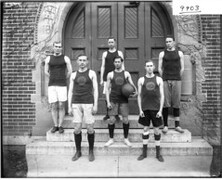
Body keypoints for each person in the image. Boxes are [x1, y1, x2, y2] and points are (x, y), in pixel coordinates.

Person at [68, 54, 98, 162]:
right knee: (77, 128)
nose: (82, 62)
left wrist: (95, 105)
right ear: (77, 61)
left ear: (87, 62)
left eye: (84, 60)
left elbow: (95, 90)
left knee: (90, 128)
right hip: (76, 102)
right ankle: (78, 151)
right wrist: (69, 106)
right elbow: (70, 91)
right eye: (80, 60)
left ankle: (90, 151)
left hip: (88, 102)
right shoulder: (73, 74)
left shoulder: (91, 73)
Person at [104, 56, 137, 147]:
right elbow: (107, 89)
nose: (117, 63)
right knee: (112, 120)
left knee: (125, 120)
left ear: (122, 63)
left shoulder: (126, 73)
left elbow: (132, 84)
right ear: (114, 63)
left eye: (119, 62)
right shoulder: (110, 74)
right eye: (116, 62)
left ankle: (126, 139)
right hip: (113, 99)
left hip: (124, 100)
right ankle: (111, 139)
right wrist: (108, 102)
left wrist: (136, 91)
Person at [137, 60, 164, 162]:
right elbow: (139, 96)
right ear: (145, 67)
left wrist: (160, 110)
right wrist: (140, 110)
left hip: (156, 109)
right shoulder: (141, 80)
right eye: (147, 66)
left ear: (154, 67)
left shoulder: (158, 79)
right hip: (145, 109)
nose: (149, 68)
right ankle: (144, 153)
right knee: (145, 129)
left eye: (151, 66)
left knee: (156, 130)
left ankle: (158, 154)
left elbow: (162, 96)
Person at [158, 36, 185, 134]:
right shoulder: (162, 54)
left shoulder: (179, 53)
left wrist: (177, 76)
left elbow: (182, 68)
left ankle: (177, 125)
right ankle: (165, 125)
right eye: (166, 42)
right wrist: (165, 77)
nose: (168, 43)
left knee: (176, 102)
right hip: (165, 80)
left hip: (177, 79)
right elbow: (160, 68)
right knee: (166, 102)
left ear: (173, 42)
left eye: (170, 41)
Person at [45, 41, 72, 134]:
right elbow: (46, 71)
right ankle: (55, 125)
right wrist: (52, 77)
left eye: (59, 46)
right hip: (52, 85)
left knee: (61, 105)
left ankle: (60, 125)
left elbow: (69, 71)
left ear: (61, 48)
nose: (58, 48)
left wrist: (63, 78)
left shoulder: (65, 58)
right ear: (53, 47)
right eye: (56, 46)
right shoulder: (49, 58)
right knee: (53, 105)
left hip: (62, 85)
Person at [100, 37, 125, 121]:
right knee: (107, 95)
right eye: (109, 42)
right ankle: (108, 113)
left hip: (117, 77)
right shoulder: (105, 54)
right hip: (107, 77)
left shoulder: (119, 53)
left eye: (112, 42)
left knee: (117, 95)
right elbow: (103, 66)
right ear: (108, 43)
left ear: (115, 43)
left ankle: (116, 114)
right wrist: (101, 79)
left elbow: (123, 65)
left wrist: (123, 76)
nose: (110, 43)